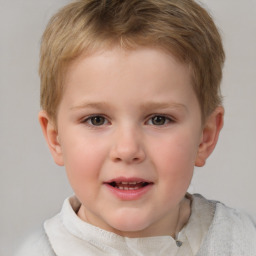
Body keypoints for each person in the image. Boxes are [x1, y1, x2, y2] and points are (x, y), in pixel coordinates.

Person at [16, 0, 256, 255]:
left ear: (205, 137)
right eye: (97, 120)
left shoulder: (243, 241)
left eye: (158, 119)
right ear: (56, 139)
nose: (128, 149)